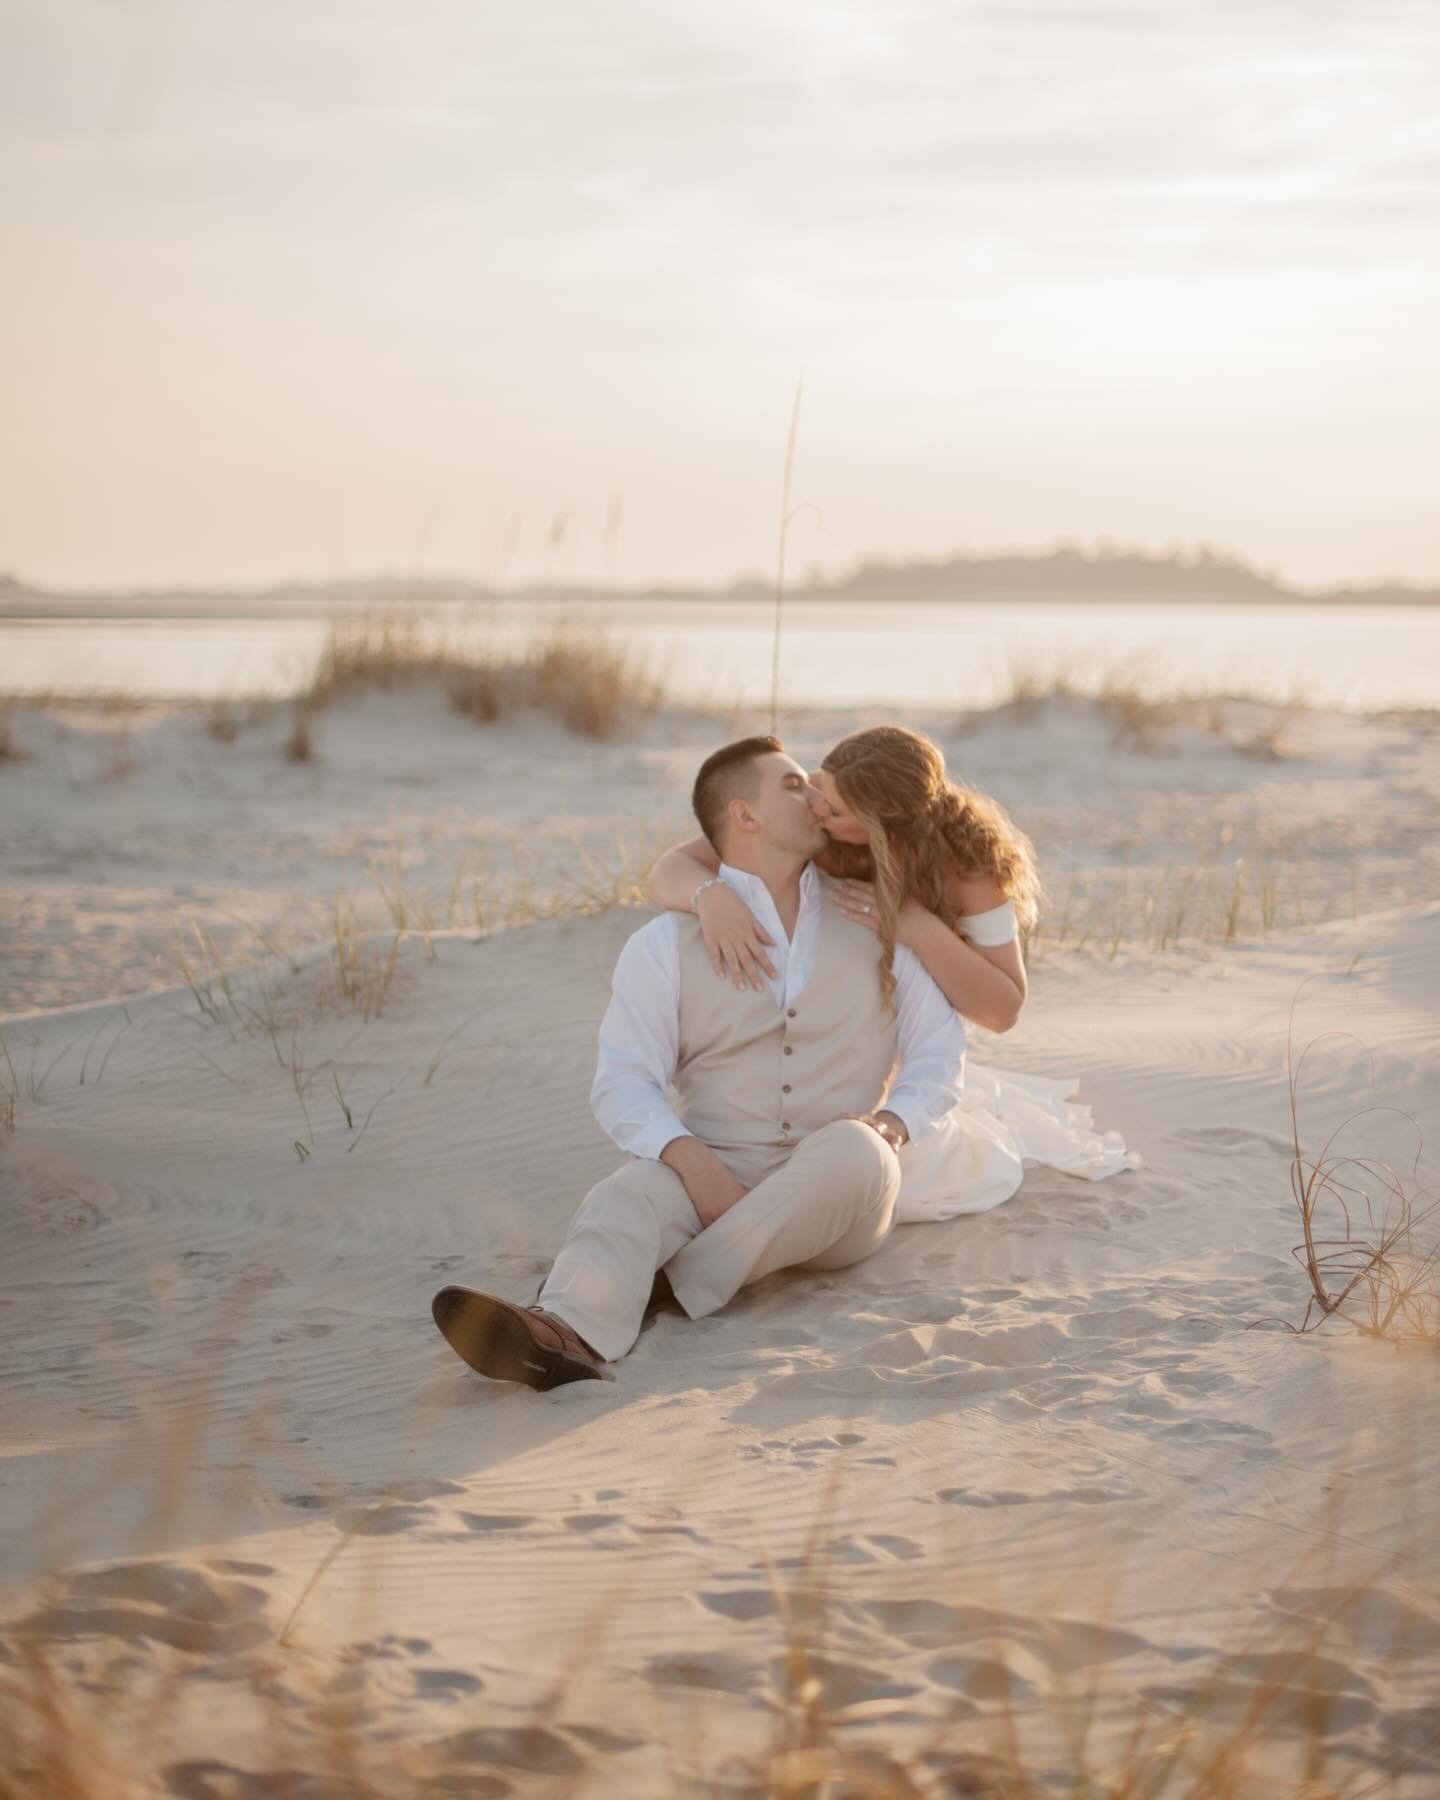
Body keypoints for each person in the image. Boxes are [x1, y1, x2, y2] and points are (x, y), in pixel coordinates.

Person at [431, 735, 967, 1390]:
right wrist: (690, 1159)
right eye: (794, 784)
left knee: (857, 1152)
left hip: (840, 1194)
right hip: (713, 1164)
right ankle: (561, 1334)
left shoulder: (877, 916)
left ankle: (660, 1282)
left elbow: (938, 1049)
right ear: (746, 816)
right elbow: (625, 1082)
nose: (819, 795)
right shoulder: (662, 943)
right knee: (626, 1193)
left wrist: (893, 1123)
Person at [648, 725, 1137, 1223]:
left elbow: (1003, 1008)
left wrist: (915, 926)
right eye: (818, 785)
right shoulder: (818, 820)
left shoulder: (969, 862)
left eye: (834, 810)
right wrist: (709, 897)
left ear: (883, 829)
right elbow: (676, 864)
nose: (815, 806)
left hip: (912, 1039)